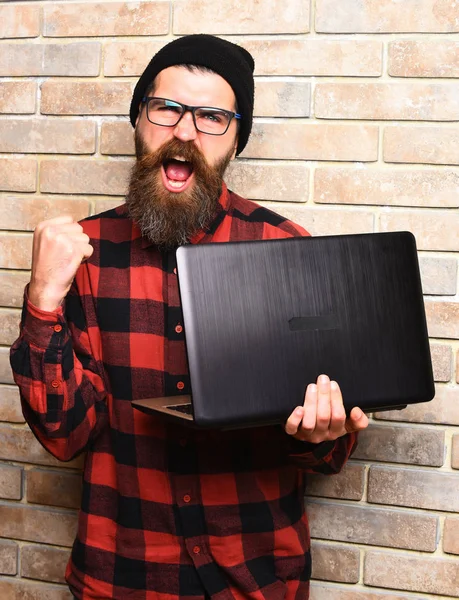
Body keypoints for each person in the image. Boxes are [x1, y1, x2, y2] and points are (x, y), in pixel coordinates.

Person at [10, 35, 369, 600]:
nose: (184, 131)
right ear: (139, 119)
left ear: (235, 140)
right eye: (167, 108)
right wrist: (44, 299)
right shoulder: (84, 253)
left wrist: (323, 434)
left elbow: (329, 453)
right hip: (119, 579)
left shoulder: (286, 249)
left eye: (212, 117)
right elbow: (63, 435)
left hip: (255, 582)